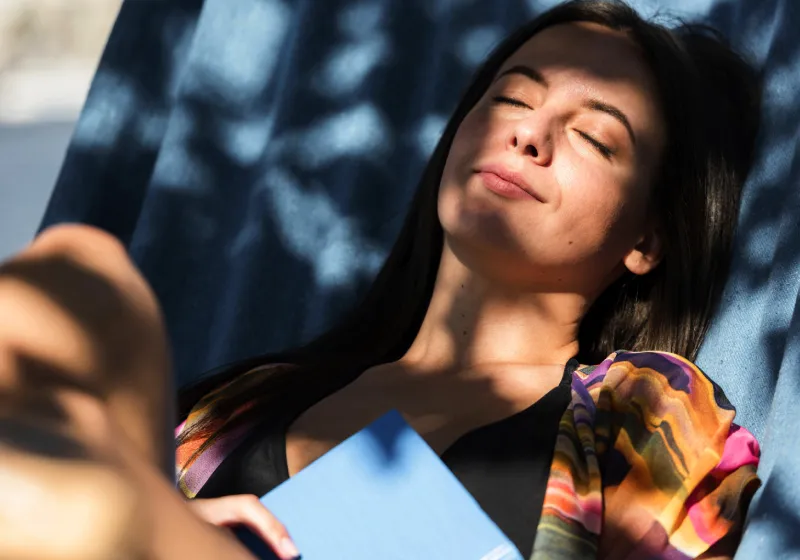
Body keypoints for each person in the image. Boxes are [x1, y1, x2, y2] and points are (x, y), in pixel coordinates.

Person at [0, 0, 763, 559]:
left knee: (61, 496)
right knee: (77, 273)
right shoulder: (248, 400)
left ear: (649, 240)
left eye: (595, 137)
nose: (529, 134)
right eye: (511, 99)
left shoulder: (640, 413)